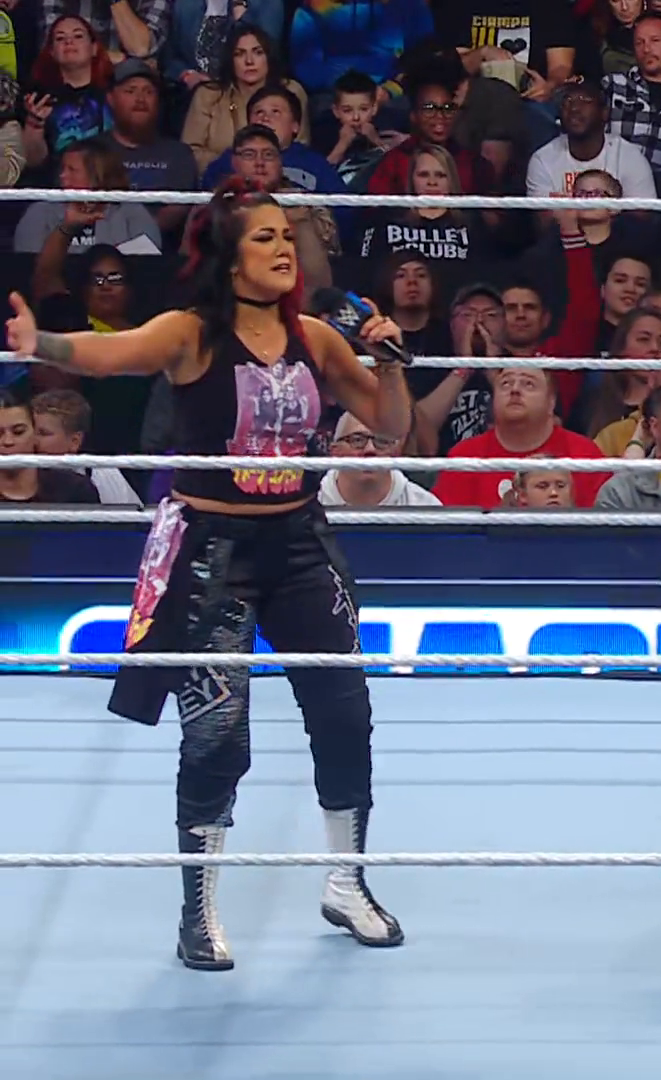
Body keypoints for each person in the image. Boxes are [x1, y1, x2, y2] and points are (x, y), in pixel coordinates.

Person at [2, 179, 414, 971]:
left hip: (298, 542)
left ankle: (347, 882)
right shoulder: (190, 333)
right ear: (229, 257)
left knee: (344, 713)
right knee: (218, 736)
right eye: (264, 237)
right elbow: (111, 355)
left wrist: (389, 362)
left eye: (286, 234)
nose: (284, 248)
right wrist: (40, 343)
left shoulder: (316, 338)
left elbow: (390, 424)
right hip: (212, 554)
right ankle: (199, 908)